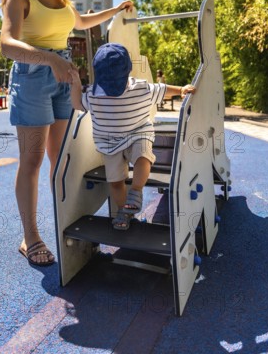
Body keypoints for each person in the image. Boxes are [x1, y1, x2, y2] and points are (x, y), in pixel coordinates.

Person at [0, 0, 133, 266]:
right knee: (31, 160)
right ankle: (31, 238)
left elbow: (82, 22)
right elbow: (7, 44)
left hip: (64, 76)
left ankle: (67, 222)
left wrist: (115, 10)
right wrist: (47, 59)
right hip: (32, 76)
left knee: (62, 159)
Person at [69, 43, 196, 230]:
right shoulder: (93, 94)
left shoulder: (141, 88)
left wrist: (180, 90)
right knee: (115, 183)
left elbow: (162, 89)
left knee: (142, 156)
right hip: (109, 142)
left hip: (137, 133)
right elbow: (77, 103)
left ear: (128, 72)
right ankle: (124, 211)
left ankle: (136, 191)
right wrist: (76, 84)